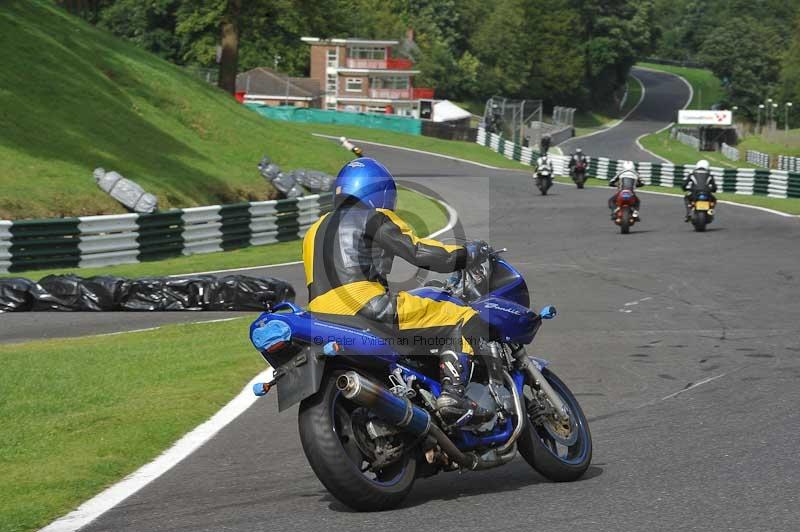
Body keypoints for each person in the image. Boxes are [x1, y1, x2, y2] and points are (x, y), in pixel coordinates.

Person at [302, 157, 492, 423]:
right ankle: (453, 394)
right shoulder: (373, 216)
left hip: (320, 317)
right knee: (460, 315)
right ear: (377, 191)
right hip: (367, 306)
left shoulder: (313, 230)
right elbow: (418, 252)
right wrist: (467, 254)